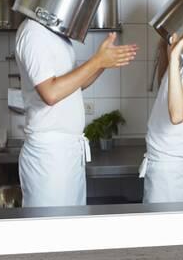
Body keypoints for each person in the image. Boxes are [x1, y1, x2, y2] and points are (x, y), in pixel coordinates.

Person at [15, 18, 138, 207]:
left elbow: (76, 85)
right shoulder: (33, 32)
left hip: (69, 155)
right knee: (49, 231)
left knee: (70, 230)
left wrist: (103, 63)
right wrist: (97, 61)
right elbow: (51, 93)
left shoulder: (57, 34)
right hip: (49, 158)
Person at [139, 20, 183, 203]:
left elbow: (177, 114)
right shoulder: (178, 70)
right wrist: (167, 52)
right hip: (161, 169)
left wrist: (175, 55)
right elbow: (165, 84)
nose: (169, 38)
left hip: (169, 175)